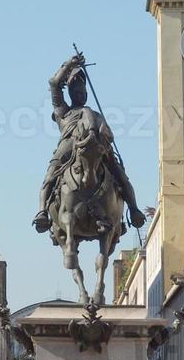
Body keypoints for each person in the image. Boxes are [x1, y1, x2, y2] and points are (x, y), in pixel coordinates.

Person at [32, 53, 144, 234]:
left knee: (120, 175)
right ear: (71, 94)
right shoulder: (64, 111)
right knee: (50, 176)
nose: (81, 95)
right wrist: (69, 64)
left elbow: (109, 134)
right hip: (68, 147)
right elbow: (54, 83)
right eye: (77, 93)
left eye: (84, 93)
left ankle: (133, 209)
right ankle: (42, 212)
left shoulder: (96, 114)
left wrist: (104, 138)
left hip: (97, 147)